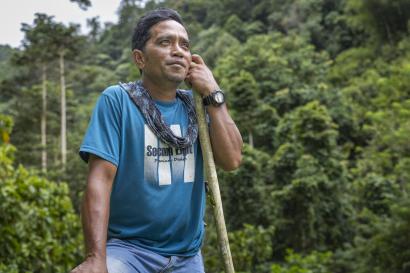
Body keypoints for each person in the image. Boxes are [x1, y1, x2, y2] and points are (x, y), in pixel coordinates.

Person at [71, 8, 242, 273]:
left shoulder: (196, 107)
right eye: (165, 42)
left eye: (184, 45)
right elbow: (99, 181)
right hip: (129, 252)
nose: (178, 51)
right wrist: (95, 257)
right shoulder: (117, 101)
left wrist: (213, 94)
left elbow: (231, 160)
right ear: (140, 58)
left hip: (186, 257)